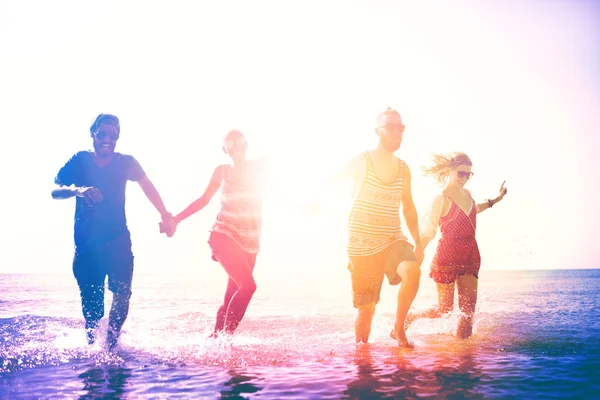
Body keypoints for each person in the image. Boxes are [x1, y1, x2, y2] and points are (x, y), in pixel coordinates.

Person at [52, 113, 173, 349]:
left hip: (117, 241)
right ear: (93, 134)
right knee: (93, 307)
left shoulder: (126, 162)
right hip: (87, 246)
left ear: (118, 136)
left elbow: (147, 186)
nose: (107, 139)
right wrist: (78, 190)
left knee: (123, 294)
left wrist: (165, 215)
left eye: (113, 134)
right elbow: (55, 190)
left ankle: (111, 345)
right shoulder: (80, 160)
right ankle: (94, 355)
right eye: (102, 134)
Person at [316, 108, 422, 347]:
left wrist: (418, 242)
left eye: (401, 127)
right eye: (391, 126)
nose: (397, 131)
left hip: (392, 239)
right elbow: (331, 181)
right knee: (367, 310)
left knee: (413, 271)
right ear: (378, 131)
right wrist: (313, 199)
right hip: (361, 246)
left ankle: (399, 329)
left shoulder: (404, 169)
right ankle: (362, 358)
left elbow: (408, 207)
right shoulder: (362, 161)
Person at [161, 130, 269, 337]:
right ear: (224, 149)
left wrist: (303, 205)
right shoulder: (221, 171)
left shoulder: (260, 167)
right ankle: (224, 343)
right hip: (223, 235)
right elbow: (203, 200)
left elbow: (277, 190)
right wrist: (176, 219)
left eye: (240, 142)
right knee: (248, 287)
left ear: (246, 145)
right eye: (230, 144)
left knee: (230, 298)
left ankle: (215, 341)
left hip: (250, 240)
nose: (236, 147)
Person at [405, 152, 507, 338]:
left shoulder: (467, 195)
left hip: (470, 255)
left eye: (468, 174)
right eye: (461, 173)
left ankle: (463, 357)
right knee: (444, 310)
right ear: (449, 171)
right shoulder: (441, 199)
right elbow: (428, 232)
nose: (465, 178)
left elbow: (474, 209)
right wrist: (416, 254)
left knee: (468, 312)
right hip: (447, 257)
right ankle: (410, 316)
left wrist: (495, 200)